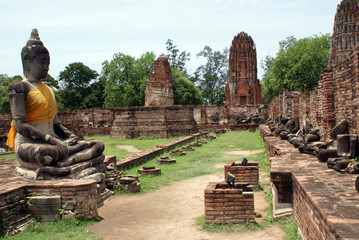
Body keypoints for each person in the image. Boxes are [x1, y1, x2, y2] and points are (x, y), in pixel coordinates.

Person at [6, 29, 104, 172]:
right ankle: (68, 161)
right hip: (30, 145)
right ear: (27, 63)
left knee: (98, 145)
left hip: (56, 142)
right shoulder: (19, 88)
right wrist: (51, 140)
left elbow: (56, 125)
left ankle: (68, 162)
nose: (47, 66)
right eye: (43, 62)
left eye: (48, 62)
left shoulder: (48, 90)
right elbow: (20, 126)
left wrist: (70, 136)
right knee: (48, 153)